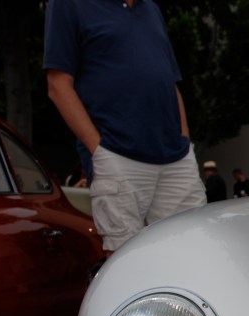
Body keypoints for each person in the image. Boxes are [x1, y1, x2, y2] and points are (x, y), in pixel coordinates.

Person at [44, 0, 206, 253]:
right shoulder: (69, 4)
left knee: (192, 251)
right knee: (125, 260)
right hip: (117, 155)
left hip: (176, 158)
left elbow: (170, 83)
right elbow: (57, 85)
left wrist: (184, 139)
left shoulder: (150, 8)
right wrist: (98, 149)